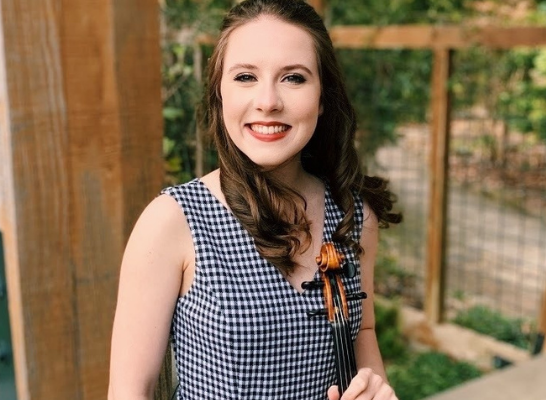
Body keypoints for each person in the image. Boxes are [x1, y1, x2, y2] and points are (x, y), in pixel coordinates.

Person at [108, 0, 402, 399]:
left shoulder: (353, 215)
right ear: (220, 93)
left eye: (294, 78)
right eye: (245, 76)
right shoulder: (172, 221)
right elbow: (129, 391)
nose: (268, 101)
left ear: (322, 95)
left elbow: (361, 332)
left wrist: (372, 388)